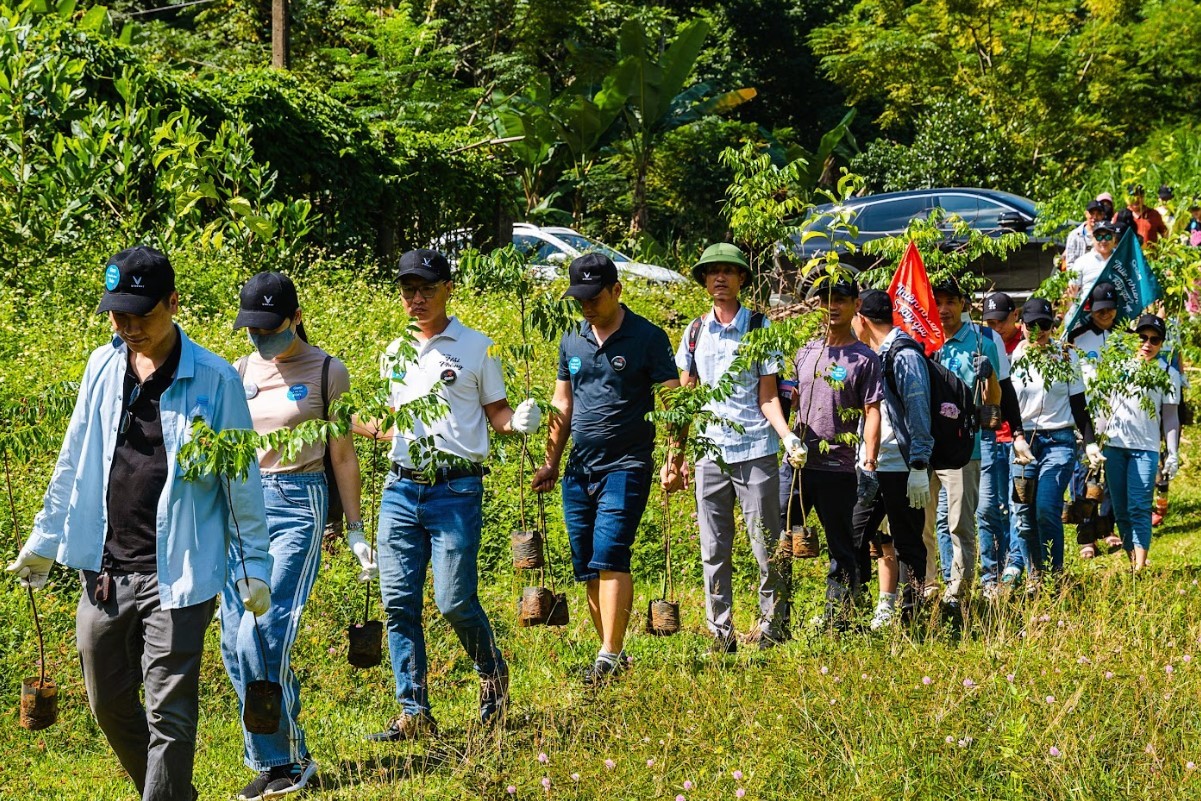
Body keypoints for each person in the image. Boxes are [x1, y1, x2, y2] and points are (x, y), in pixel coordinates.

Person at [6, 246, 272, 801]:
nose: (127, 327)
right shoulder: (103, 367)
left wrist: (255, 567)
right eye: (117, 315)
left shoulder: (215, 381)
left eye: (141, 314)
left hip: (179, 574)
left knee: (170, 714)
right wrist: (44, 540)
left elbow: (240, 480)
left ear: (173, 303)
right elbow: (74, 457)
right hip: (105, 570)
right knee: (106, 702)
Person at [366, 249, 541, 740]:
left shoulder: (477, 347)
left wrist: (518, 422)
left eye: (425, 289)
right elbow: (386, 423)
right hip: (400, 488)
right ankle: (413, 712)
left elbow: (499, 416)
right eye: (408, 290)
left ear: (448, 288)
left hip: (456, 489)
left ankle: (492, 673)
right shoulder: (395, 351)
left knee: (452, 600)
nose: (416, 299)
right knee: (399, 603)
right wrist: (329, 417)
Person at [222, 272, 370, 800]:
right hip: (241, 508)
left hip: (296, 503)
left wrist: (353, 529)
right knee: (233, 644)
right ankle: (287, 754)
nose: (261, 338)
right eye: (252, 329)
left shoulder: (329, 371)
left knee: (261, 634)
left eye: (270, 327)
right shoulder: (238, 370)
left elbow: (343, 453)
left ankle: (279, 762)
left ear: (296, 318)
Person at [532, 253, 679, 683]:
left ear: (617, 291)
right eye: (579, 298)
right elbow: (562, 403)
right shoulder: (572, 340)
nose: (587, 306)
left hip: (628, 463)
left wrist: (675, 457)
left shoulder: (648, 337)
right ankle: (608, 655)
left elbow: (672, 400)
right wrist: (549, 462)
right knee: (588, 564)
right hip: (579, 468)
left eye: (594, 297)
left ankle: (610, 654)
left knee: (612, 552)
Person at [669, 244, 803, 653]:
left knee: (766, 545)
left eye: (728, 271)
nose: (720, 278)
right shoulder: (694, 332)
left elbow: (767, 397)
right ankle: (720, 631)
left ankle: (773, 627)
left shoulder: (759, 328)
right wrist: (674, 456)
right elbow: (685, 401)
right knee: (713, 548)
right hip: (710, 453)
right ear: (705, 280)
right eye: (713, 272)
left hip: (756, 449)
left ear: (742, 278)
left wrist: (786, 436)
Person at [784, 274, 882, 629]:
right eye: (826, 299)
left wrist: (868, 462)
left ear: (856, 306)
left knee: (842, 548)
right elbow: (790, 399)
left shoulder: (865, 359)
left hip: (838, 467)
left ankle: (838, 618)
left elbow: (873, 411)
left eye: (840, 299)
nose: (832, 307)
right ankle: (777, 618)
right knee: (782, 539)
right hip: (797, 465)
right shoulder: (805, 352)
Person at [849, 290, 932, 629]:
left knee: (909, 544)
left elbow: (918, 409)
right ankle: (851, 609)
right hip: (873, 466)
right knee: (853, 536)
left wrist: (919, 465)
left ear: (863, 319)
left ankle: (913, 618)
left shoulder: (904, 355)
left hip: (901, 466)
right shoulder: (873, 354)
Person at [925, 277, 1004, 609]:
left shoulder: (983, 341)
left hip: (963, 445)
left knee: (959, 521)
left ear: (963, 304)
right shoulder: (922, 339)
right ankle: (926, 585)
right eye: (937, 302)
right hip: (923, 446)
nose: (943, 309)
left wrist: (988, 375)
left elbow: (994, 405)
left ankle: (958, 592)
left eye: (951, 302)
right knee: (925, 521)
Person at [1009, 298, 1100, 585]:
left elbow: (1078, 403)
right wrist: (1017, 436)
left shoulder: (1065, 356)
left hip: (1058, 440)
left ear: (1052, 326)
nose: (1038, 332)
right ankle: (1035, 577)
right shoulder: (1016, 357)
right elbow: (1010, 404)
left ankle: (1054, 576)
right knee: (1023, 516)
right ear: (1021, 326)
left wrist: (1090, 442)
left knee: (1047, 507)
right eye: (1032, 326)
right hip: (1024, 443)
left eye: (1044, 326)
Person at [1102, 315, 1182, 570]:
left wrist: (1172, 453)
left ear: (1161, 343)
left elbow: (1170, 417)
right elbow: (1105, 408)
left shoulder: (1168, 373)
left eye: (1154, 339)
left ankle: (1140, 566)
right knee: (1122, 509)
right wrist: (1093, 443)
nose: (1147, 343)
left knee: (1139, 507)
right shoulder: (1117, 367)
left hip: (1145, 449)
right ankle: (1134, 559)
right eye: (1143, 337)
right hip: (1114, 447)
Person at [1067, 281, 1122, 558]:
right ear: (1091, 309)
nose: (1106, 315)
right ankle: (1086, 535)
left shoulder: (1124, 338)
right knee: (1083, 477)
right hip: (1086, 417)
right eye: (1101, 310)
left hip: (1115, 416)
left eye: (1111, 310)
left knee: (1110, 476)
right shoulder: (1077, 336)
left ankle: (1107, 528)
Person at [981, 292, 1029, 587]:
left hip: (1015, 438)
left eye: (1001, 320)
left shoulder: (1028, 347)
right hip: (988, 438)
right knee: (988, 507)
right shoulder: (984, 343)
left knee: (1016, 504)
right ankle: (992, 570)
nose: (996, 327)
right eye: (990, 322)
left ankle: (1016, 561)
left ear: (1015, 315)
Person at [1069, 220, 1119, 300]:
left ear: (1114, 238)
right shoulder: (1081, 262)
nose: (1103, 241)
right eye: (1099, 237)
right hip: (1088, 310)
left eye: (1108, 236)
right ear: (1092, 238)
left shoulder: (1122, 259)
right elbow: (1072, 293)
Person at [1062, 200, 1106, 271]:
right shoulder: (1074, 235)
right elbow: (1070, 263)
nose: (1095, 217)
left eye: (1098, 214)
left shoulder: (1105, 234)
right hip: (1079, 276)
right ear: (1086, 214)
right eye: (1092, 213)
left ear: (1102, 216)